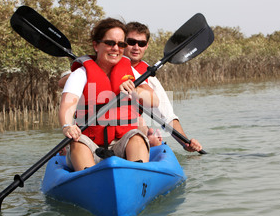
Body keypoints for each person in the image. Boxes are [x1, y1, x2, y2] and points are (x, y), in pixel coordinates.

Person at [59, 18, 159, 171]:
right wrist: (67, 126)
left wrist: (135, 91)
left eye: (121, 44)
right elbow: (67, 105)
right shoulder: (81, 74)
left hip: (122, 143)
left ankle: (136, 178)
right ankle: (90, 180)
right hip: (90, 144)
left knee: (137, 137)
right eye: (110, 43)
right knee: (78, 142)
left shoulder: (130, 71)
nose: (116, 48)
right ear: (96, 45)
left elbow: (154, 101)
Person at [124, 21, 203, 153]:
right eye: (131, 42)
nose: (136, 47)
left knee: (148, 131)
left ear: (146, 46)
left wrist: (185, 143)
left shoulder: (149, 76)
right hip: (101, 126)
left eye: (141, 43)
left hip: (129, 130)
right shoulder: (105, 64)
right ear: (123, 42)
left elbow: (166, 116)